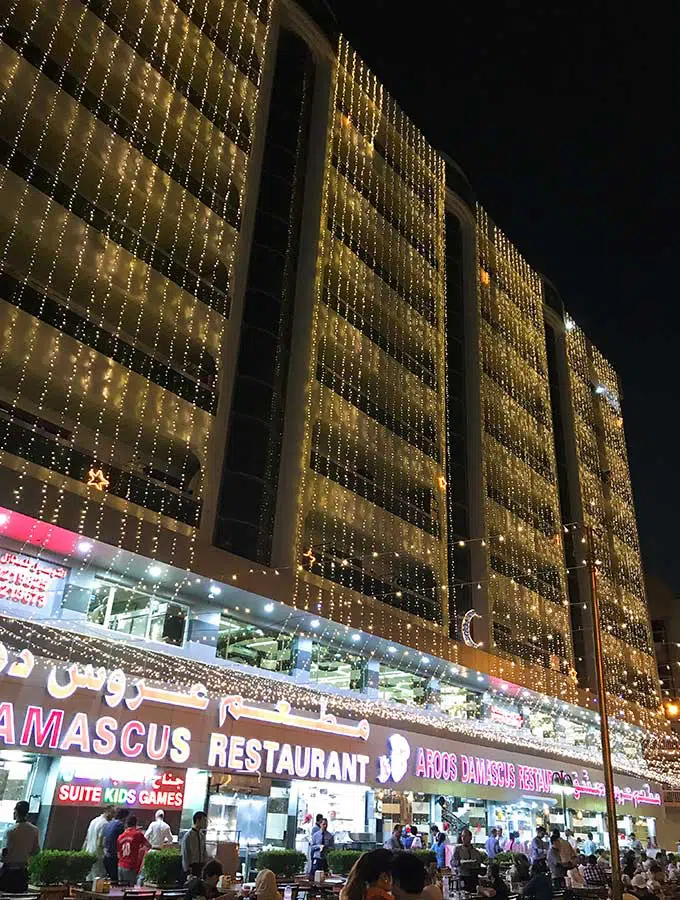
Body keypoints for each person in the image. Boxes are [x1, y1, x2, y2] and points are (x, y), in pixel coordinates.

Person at [0, 800, 40, 893]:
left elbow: (4, 853)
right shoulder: (34, 830)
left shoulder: (10, 831)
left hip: (8, 872)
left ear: (16, 812)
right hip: (23, 872)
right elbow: (36, 851)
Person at [117, 815, 150, 886]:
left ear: (126, 824)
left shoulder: (120, 836)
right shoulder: (138, 834)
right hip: (130, 866)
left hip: (120, 866)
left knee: (120, 890)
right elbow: (148, 845)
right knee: (130, 890)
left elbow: (118, 852)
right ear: (136, 823)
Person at [83, 805, 115, 878]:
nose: (113, 816)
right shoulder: (105, 824)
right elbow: (100, 842)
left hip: (89, 852)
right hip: (98, 855)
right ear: (107, 812)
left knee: (89, 878)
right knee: (98, 879)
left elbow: (87, 838)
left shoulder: (94, 820)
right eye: (112, 813)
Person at [103, 807, 128, 883]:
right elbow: (123, 840)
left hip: (106, 855)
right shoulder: (120, 825)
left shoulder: (109, 823)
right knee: (116, 881)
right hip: (114, 857)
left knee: (111, 880)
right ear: (124, 817)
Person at [182, 811, 209, 880]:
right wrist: (187, 870)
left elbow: (204, 851)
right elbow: (185, 853)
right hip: (192, 867)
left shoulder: (202, 835)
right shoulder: (188, 836)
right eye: (204, 821)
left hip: (201, 865)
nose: (206, 823)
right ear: (198, 820)